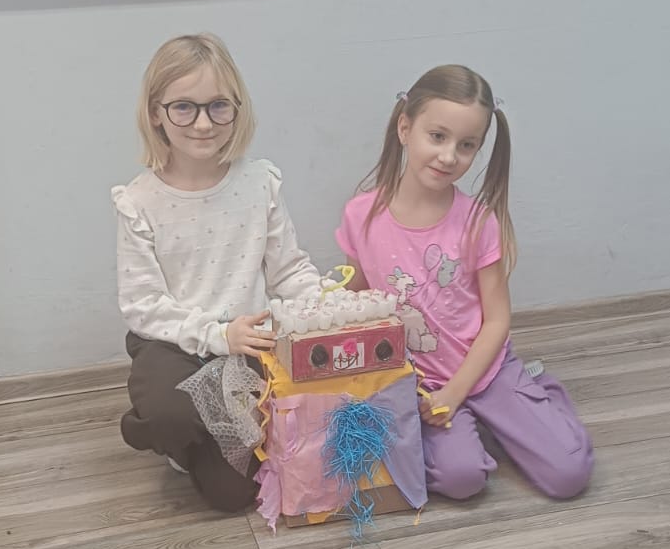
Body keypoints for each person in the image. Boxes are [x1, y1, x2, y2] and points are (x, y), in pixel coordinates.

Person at [336, 65, 593, 503]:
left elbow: (497, 320)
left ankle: (534, 396)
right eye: (437, 136)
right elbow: (357, 299)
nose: (449, 156)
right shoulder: (361, 215)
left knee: (569, 475)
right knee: (462, 479)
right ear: (405, 128)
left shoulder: (477, 222)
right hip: (419, 383)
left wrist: (456, 393)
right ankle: (476, 430)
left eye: (466, 145)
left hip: (485, 369)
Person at [112, 33, 320, 512]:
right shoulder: (138, 201)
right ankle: (175, 429)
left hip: (250, 343)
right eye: (184, 107)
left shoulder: (259, 182)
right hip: (173, 344)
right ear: (156, 112)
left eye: (218, 106)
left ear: (236, 109)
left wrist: (324, 304)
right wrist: (216, 335)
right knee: (169, 414)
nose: (203, 123)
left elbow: (288, 269)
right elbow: (143, 306)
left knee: (234, 495)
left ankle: (211, 433)